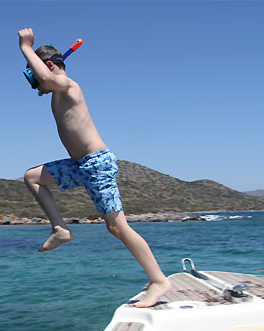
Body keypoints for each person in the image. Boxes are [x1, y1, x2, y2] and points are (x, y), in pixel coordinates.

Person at [18, 28, 171, 308]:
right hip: (79, 165)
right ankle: (60, 229)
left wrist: (26, 48)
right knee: (33, 177)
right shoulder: (56, 89)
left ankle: (159, 280)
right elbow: (49, 79)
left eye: (34, 80)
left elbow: (51, 78)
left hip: (97, 164)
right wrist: (40, 72)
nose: (37, 88)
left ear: (48, 67)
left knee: (117, 227)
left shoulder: (68, 83)